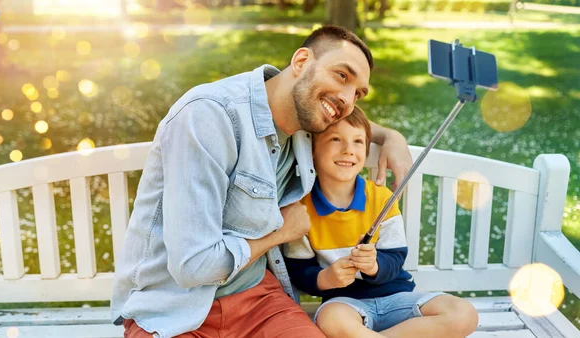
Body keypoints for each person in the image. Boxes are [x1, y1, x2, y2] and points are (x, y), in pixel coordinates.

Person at [111, 25, 413, 338]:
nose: (348, 100)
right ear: (300, 62)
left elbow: (344, 117)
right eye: (341, 75)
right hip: (173, 307)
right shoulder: (208, 118)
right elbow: (194, 267)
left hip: (258, 300)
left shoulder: (306, 118)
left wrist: (390, 135)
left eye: (359, 93)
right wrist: (281, 232)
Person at [283, 106, 479, 338]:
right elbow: (298, 271)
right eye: (336, 139)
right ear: (312, 150)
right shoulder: (301, 209)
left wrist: (374, 266)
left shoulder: (381, 198)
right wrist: (326, 278)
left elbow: (395, 256)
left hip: (397, 298)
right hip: (346, 304)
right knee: (330, 320)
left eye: (358, 141)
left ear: (365, 150)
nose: (348, 150)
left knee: (464, 314)